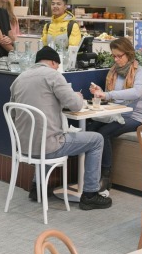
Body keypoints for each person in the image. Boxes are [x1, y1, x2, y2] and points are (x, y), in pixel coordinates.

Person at [9, 46, 112, 210]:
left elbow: (14, 114)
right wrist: (77, 96)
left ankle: (37, 188)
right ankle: (90, 195)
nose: (57, 69)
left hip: (23, 147)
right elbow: (76, 105)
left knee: (44, 135)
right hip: (48, 147)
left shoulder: (19, 79)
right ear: (52, 62)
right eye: (57, 65)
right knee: (97, 139)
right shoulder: (53, 75)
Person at [87, 37, 142, 190]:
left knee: (103, 133)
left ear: (129, 54)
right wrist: (100, 92)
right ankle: (90, 174)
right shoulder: (114, 72)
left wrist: (108, 95)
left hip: (134, 117)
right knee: (89, 129)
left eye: (119, 56)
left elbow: (136, 92)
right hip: (114, 113)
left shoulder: (140, 72)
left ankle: (106, 176)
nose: (116, 60)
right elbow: (110, 95)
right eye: (113, 56)